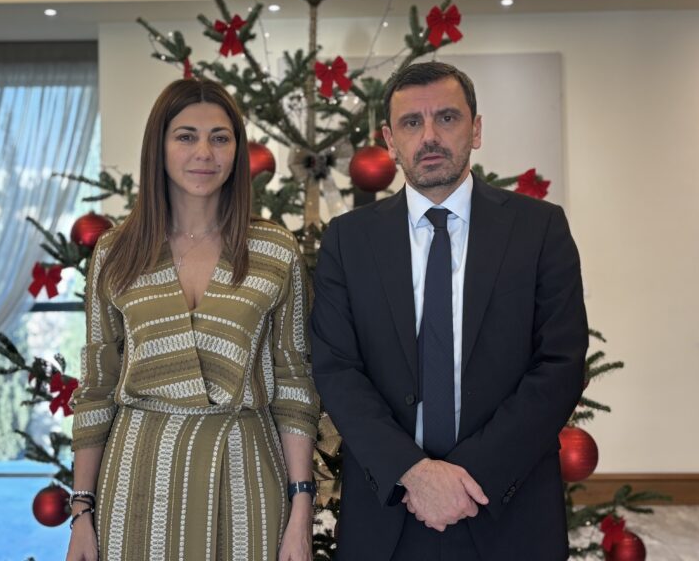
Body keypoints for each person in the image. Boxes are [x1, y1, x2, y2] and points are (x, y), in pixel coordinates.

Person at [311, 61, 589, 560]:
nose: (430, 137)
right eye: (411, 123)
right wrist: (414, 473)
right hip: (390, 511)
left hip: (509, 508)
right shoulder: (348, 240)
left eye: (447, 117)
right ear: (389, 140)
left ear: (475, 130)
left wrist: (469, 477)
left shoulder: (539, 229)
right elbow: (337, 369)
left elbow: (561, 364)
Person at [66, 77, 319, 561]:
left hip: (247, 475)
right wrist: (82, 512)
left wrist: (301, 508)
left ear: (237, 150)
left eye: (220, 138)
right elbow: (97, 387)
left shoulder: (274, 250)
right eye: (186, 136)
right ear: (158, 147)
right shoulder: (116, 253)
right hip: (139, 481)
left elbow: (294, 385)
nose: (204, 152)